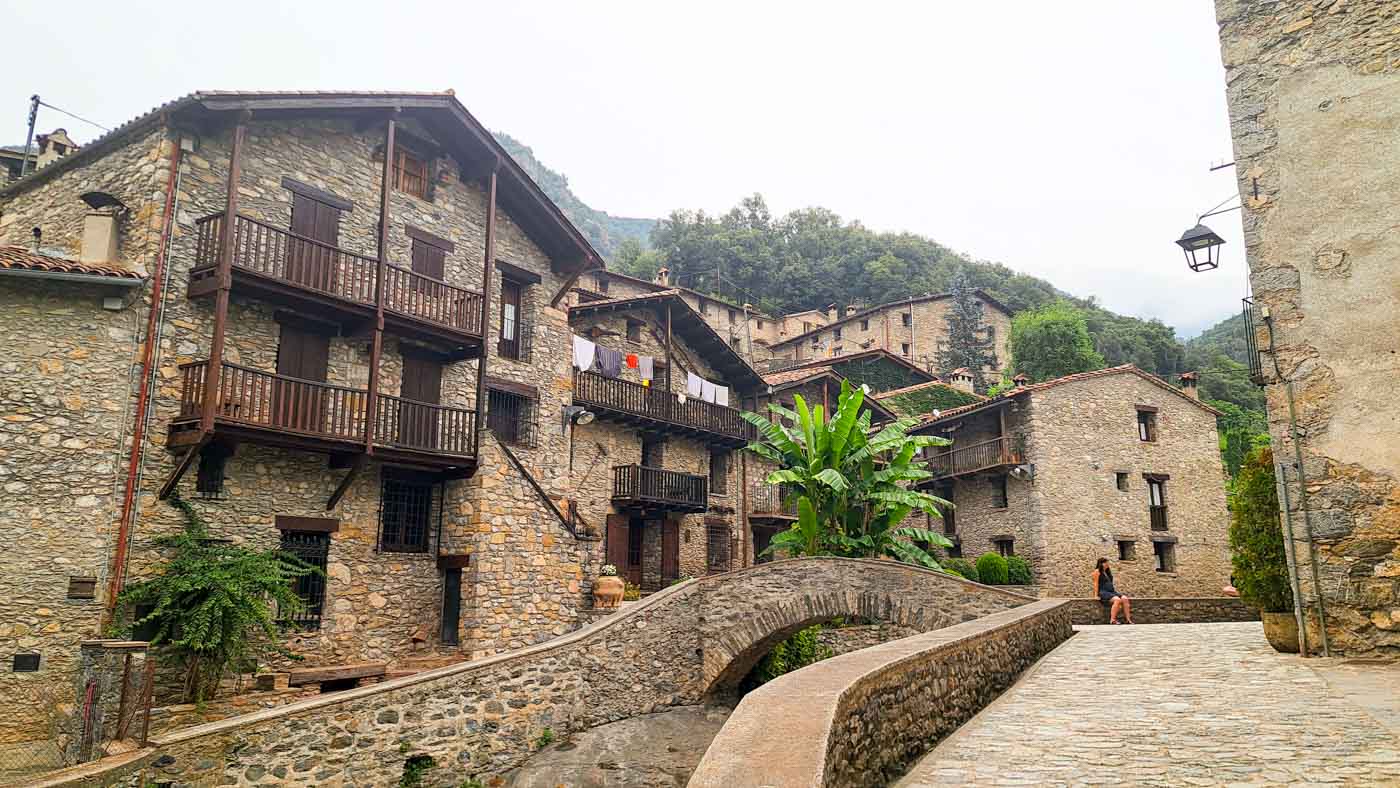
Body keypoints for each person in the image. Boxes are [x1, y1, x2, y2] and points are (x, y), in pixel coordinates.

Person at [1093, 557, 1133, 624]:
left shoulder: (1107, 572)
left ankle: (1128, 620)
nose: (1107, 564)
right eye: (1105, 563)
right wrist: (1095, 595)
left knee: (1125, 598)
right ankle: (1113, 620)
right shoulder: (1097, 572)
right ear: (1100, 564)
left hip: (1112, 592)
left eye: (1107, 562)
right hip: (1103, 592)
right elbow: (1095, 584)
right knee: (1117, 600)